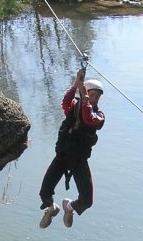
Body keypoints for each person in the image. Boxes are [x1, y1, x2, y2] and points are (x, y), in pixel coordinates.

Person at [39, 68, 105, 229]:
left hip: (78, 160)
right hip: (63, 156)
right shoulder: (74, 109)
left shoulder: (99, 116)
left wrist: (86, 99)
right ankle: (51, 208)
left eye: (97, 96)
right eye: (92, 94)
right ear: (85, 93)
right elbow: (66, 102)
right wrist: (77, 83)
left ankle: (69, 207)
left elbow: (89, 120)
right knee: (44, 192)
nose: (95, 99)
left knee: (87, 200)